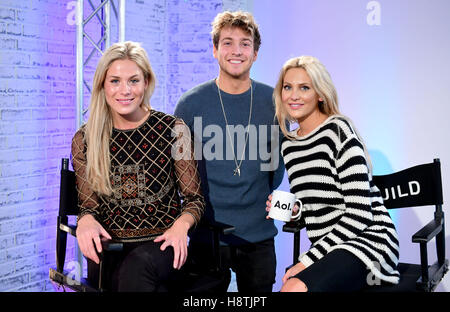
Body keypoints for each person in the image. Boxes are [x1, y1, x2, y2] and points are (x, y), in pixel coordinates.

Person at [71, 41, 205, 292]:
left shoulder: (174, 130)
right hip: (111, 250)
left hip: (163, 247)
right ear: (102, 85)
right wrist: (85, 219)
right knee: (127, 274)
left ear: (146, 82)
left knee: (137, 270)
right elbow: (88, 205)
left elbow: (194, 199)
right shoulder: (85, 139)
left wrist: (181, 226)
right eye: (115, 81)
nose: (125, 90)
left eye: (133, 80)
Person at [267, 55, 400, 292]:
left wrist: (307, 260)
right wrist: (296, 211)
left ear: (320, 94)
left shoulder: (337, 131)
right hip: (332, 247)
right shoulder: (289, 146)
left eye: (304, 88)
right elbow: (316, 208)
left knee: (293, 288)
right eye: (287, 87)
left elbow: (360, 215)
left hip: (370, 242)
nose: (293, 95)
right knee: (290, 286)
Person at [174, 11, 285, 292]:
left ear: (256, 53)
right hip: (207, 232)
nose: (236, 51)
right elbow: (177, 170)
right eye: (227, 42)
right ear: (214, 50)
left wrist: (277, 201)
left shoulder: (273, 102)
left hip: (258, 234)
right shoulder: (190, 104)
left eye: (245, 43)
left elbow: (279, 164)